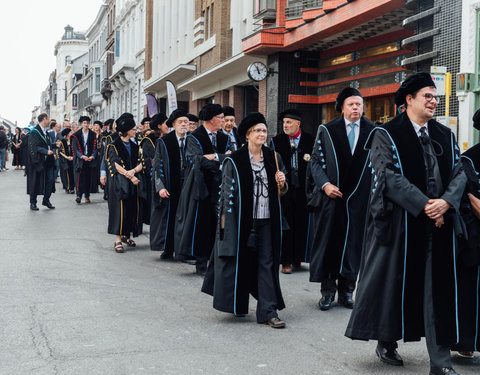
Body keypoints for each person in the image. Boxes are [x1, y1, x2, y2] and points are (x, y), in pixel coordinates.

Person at [345, 73, 467, 375]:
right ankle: (386, 339)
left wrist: (446, 202)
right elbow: (387, 176)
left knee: (435, 290)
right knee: (393, 285)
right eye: (427, 95)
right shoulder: (386, 134)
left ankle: (440, 363)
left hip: (438, 225)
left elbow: (459, 172)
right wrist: (425, 204)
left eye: (435, 96)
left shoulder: (444, 134)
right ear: (409, 99)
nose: (433, 100)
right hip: (401, 223)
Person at [202, 112, 288, 328]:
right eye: (257, 131)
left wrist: (282, 182)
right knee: (241, 262)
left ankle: (269, 311)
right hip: (243, 222)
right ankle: (238, 304)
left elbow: (283, 192)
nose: (262, 134)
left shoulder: (274, 158)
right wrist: (224, 228)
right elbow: (225, 197)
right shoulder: (235, 159)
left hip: (267, 220)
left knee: (267, 263)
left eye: (264, 131)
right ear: (248, 135)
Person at [307, 87, 374, 311]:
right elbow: (315, 161)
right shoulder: (327, 130)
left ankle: (347, 291)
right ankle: (327, 292)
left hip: (359, 200)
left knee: (354, 245)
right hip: (332, 199)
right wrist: (325, 185)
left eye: (359, 104)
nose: (356, 108)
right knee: (329, 244)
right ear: (342, 107)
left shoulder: (373, 131)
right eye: (351, 104)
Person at [175, 104, 231, 275]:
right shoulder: (195, 137)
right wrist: (221, 159)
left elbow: (231, 157)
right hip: (200, 186)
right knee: (201, 223)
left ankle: (215, 261)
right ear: (211, 119)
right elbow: (197, 161)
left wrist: (215, 157)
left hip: (220, 186)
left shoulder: (224, 137)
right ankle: (201, 262)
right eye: (221, 117)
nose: (223, 121)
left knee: (218, 224)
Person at [271, 109, 314, 274]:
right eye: (284, 123)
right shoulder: (277, 141)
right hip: (285, 190)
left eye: (289, 122)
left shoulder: (311, 140)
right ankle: (286, 260)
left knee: (302, 223)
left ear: (298, 123)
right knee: (286, 225)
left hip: (304, 189)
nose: (286, 125)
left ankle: (299, 258)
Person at [452, 109, 480, 358]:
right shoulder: (469, 159)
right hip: (475, 237)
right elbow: (469, 199)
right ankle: (466, 340)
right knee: (469, 290)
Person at [105, 113, 145, 253]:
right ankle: (117, 239)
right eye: (133, 129)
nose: (136, 131)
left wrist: (133, 172)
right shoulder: (113, 145)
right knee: (119, 210)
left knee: (131, 208)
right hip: (119, 182)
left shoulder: (136, 145)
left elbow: (142, 162)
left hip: (133, 180)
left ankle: (126, 235)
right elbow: (114, 164)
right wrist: (129, 175)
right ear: (127, 130)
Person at [151, 110, 189, 258]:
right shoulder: (164, 142)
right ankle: (168, 249)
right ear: (173, 124)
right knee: (170, 217)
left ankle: (183, 250)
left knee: (186, 218)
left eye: (186, 122)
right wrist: (160, 187)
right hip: (170, 185)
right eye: (181, 122)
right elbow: (157, 166)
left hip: (187, 185)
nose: (184, 124)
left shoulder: (192, 140)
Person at [140, 113, 167, 225]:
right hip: (154, 178)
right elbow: (151, 161)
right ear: (159, 125)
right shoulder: (148, 141)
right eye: (166, 123)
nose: (169, 125)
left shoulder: (168, 138)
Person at [26, 113, 56, 210]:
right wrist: (46, 151)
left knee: (50, 180)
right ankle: (33, 202)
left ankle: (46, 200)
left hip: (48, 161)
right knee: (35, 181)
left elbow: (46, 144)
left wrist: (55, 146)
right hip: (38, 161)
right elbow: (34, 146)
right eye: (48, 119)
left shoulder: (45, 132)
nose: (49, 121)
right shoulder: (34, 132)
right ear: (44, 119)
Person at [71, 116, 98, 204]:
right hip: (80, 160)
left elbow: (95, 148)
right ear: (81, 124)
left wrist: (92, 156)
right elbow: (75, 149)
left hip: (89, 159)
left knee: (88, 178)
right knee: (79, 178)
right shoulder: (76, 135)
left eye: (87, 123)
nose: (86, 125)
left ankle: (87, 196)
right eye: (84, 123)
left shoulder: (93, 134)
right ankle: (78, 195)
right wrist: (82, 156)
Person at [58, 128, 75, 194]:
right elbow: (60, 151)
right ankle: (67, 187)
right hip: (65, 159)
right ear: (67, 134)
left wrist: (73, 157)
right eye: (70, 132)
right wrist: (67, 157)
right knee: (66, 174)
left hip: (72, 159)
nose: (72, 133)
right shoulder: (62, 141)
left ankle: (72, 187)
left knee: (72, 173)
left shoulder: (73, 140)